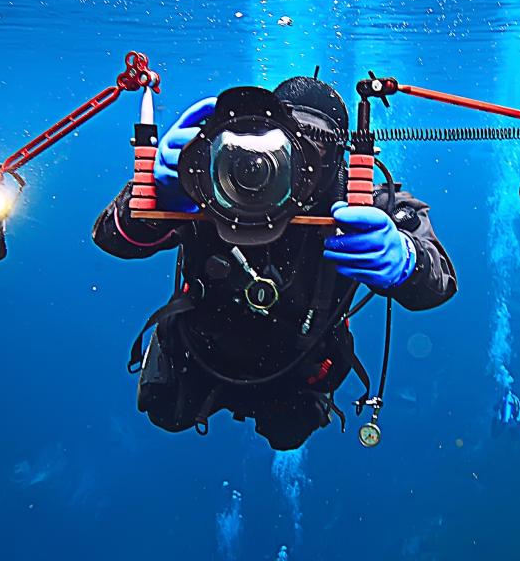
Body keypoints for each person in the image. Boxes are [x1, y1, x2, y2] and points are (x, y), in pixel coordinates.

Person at [93, 76, 458, 450]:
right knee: (164, 412)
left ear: (344, 153)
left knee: (289, 435)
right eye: (295, 139)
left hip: (297, 368)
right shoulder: (211, 179)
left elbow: (439, 279)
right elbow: (111, 238)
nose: (307, 160)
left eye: (323, 143)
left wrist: (405, 259)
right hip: (197, 353)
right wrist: (155, 202)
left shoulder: (362, 204)